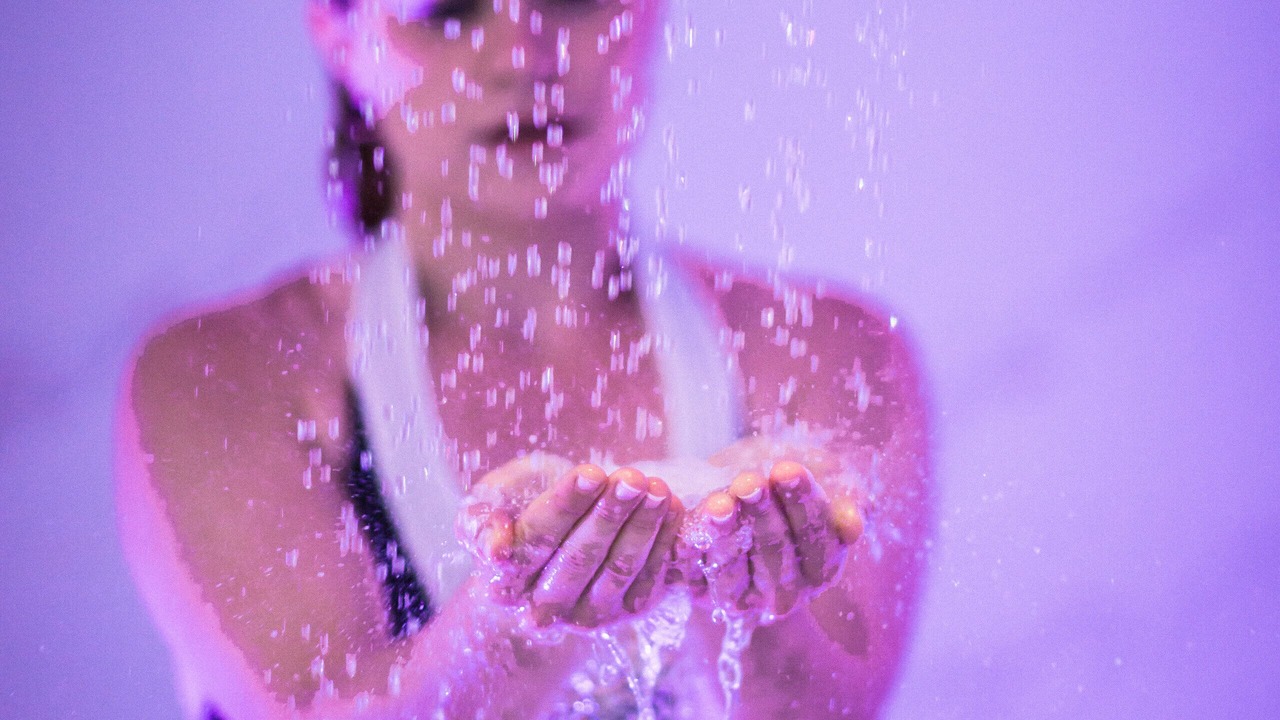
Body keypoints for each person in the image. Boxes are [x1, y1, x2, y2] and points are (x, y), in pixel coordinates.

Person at [115, 0, 932, 717]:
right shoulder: (225, 376)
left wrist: (758, 604)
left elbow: (828, 712)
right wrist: (519, 618)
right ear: (338, 32)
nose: (523, 53)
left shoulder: (831, 349)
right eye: (447, 9)